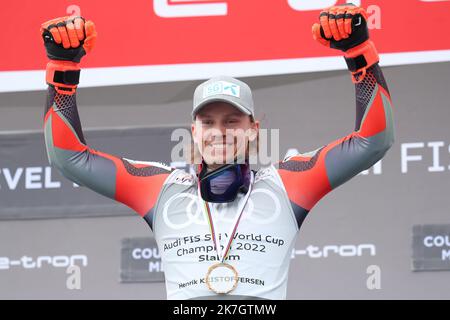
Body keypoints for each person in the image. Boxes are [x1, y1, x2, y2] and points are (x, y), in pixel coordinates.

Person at [41, 4, 394, 300]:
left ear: (254, 129)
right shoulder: (161, 188)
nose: (220, 131)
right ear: (193, 131)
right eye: (208, 122)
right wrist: (63, 71)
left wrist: (359, 55)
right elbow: (68, 157)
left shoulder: (287, 184)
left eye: (232, 120)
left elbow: (371, 141)